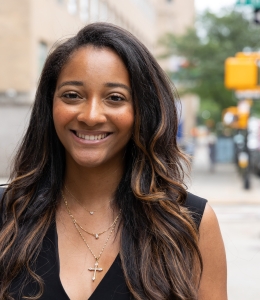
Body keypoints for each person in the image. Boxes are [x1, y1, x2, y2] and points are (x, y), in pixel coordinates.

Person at [0, 23, 227, 300]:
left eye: (115, 98)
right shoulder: (7, 213)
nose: (91, 115)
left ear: (143, 110)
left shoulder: (191, 223)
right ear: (50, 106)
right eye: (72, 95)